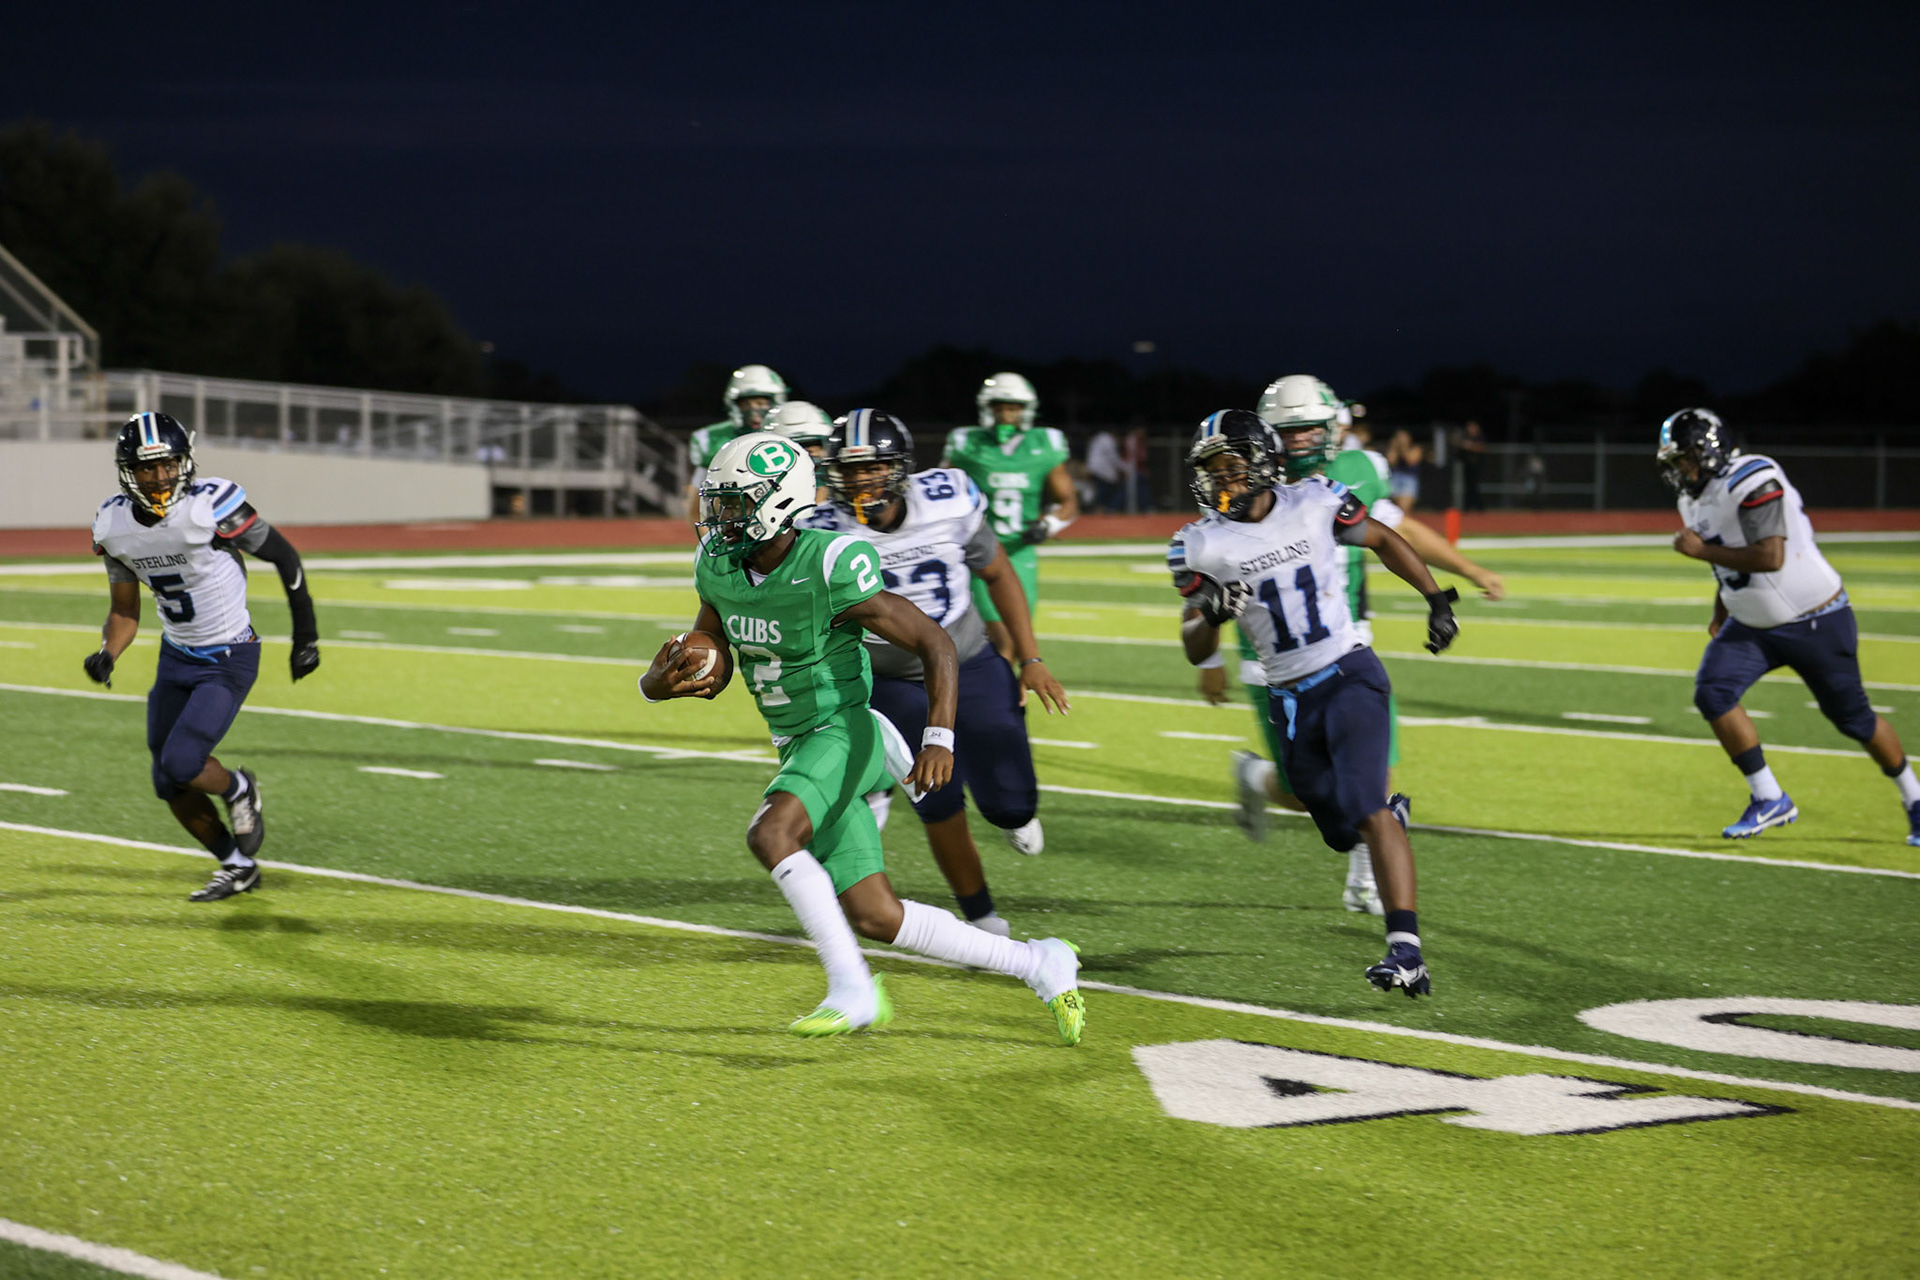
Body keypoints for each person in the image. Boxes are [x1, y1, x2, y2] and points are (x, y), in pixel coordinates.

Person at [641, 430, 1086, 1041]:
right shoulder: (718, 566)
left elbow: (935, 641)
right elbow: (713, 652)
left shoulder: (828, 561)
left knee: (772, 834)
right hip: (797, 742)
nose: (719, 516)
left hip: (842, 730)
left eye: (735, 502)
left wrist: (939, 736)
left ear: (777, 502)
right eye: (718, 502)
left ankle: (851, 988)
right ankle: (1040, 961)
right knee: (877, 915)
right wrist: (657, 682)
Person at [1171, 409, 1459, 996]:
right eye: (1213, 470)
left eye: (1232, 466)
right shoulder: (1196, 543)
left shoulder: (1316, 499)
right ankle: (1389, 822)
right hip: (1288, 697)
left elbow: (1382, 538)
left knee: (1366, 807)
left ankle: (1406, 950)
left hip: (1349, 672)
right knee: (1339, 830)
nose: (1222, 479)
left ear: (1263, 463)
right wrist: (1213, 618)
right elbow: (1193, 640)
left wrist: (1436, 598)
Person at [1213, 375, 1503, 915]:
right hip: (1272, 658)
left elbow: (1397, 531)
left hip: (1347, 642)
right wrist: (1208, 654)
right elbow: (1208, 577)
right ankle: (1255, 775)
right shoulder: (1238, 483)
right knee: (1303, 793)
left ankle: (1366, 881)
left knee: (1372, 775)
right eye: (1290, 431)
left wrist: (1464, 575)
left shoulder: (1354, 470)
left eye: (1312, 429)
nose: (1302, 440)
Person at [803, 409, 1070, 920]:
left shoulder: (946, 501)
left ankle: (1011, 815)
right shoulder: (818, 532)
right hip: (892, 679)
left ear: (899, 467)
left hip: (969, 660)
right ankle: (981, 915)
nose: (861, 479)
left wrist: (1031, 658)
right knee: (937, 800)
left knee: (1012, 804)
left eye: (874, 466)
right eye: (850, 469)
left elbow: (997, 572)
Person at [82, 412, 322, 901]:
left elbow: (285, 557)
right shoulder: (114, 524)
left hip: (228, 655)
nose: (159, 477)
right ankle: (237, 865)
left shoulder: (210, 506)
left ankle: (238, 788)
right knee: (167, 781)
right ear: (128, 472)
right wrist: (108, 653)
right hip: (176, 657)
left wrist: (306, 636)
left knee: (183, 760)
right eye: (147, 468)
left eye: (167, 465)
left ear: (184, 462)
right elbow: (124, 610)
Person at [1659, 408, 1919, 845]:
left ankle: (1915, 798)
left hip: (1814, 619)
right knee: (1713, 692)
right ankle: (1769, 797)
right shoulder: (1692, 500)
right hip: (1752, 624)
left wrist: (1701, 552)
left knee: (1854, 720)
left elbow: (1770, 556)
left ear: (1711, 450)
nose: (1681, 469)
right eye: (1675, 461)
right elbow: (1727, 561)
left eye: (1686, 457)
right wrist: (1722, 609)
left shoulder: (1753, 477)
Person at [942, 373, 1079, 663]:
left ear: (1026, 409)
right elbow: (939, 490)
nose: (1005, 414)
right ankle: (995, 692)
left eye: (1013, 407)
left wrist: (1049, 524)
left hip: (1021, 552)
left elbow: (1068, 502)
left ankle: (1006, 690)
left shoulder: (1044, 444)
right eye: (999, 407)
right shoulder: (968, 443)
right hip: (982, 551)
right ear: (987, 408)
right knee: (1002, 640)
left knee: (1018, 644)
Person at [683, 364, 789, 527]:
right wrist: (711, 540)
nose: (754, 410)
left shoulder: (791, 435)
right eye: (746, 404)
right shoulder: (714, 440)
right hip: (734, 524)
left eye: (761, 403)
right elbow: (697, 510)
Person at [1085, 427, 1124, 513]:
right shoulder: (1108, 440)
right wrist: (1122, 468)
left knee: (1100, 489)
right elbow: (1113, 457)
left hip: (1093, 468)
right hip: (1101, 470)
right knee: (1104, 490)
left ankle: (1098, 509)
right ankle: (1101, 509)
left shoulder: (1098, 437)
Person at [1386, 429, 1422, 511]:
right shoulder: (1394, 448)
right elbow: (1391, 461)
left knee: (1404, 509)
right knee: (1395, 510)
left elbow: (1410, 460)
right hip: (1395, 478)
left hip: (1408, 479)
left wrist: (1403, 447)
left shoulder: (1415, 448)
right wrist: (1393, 447)